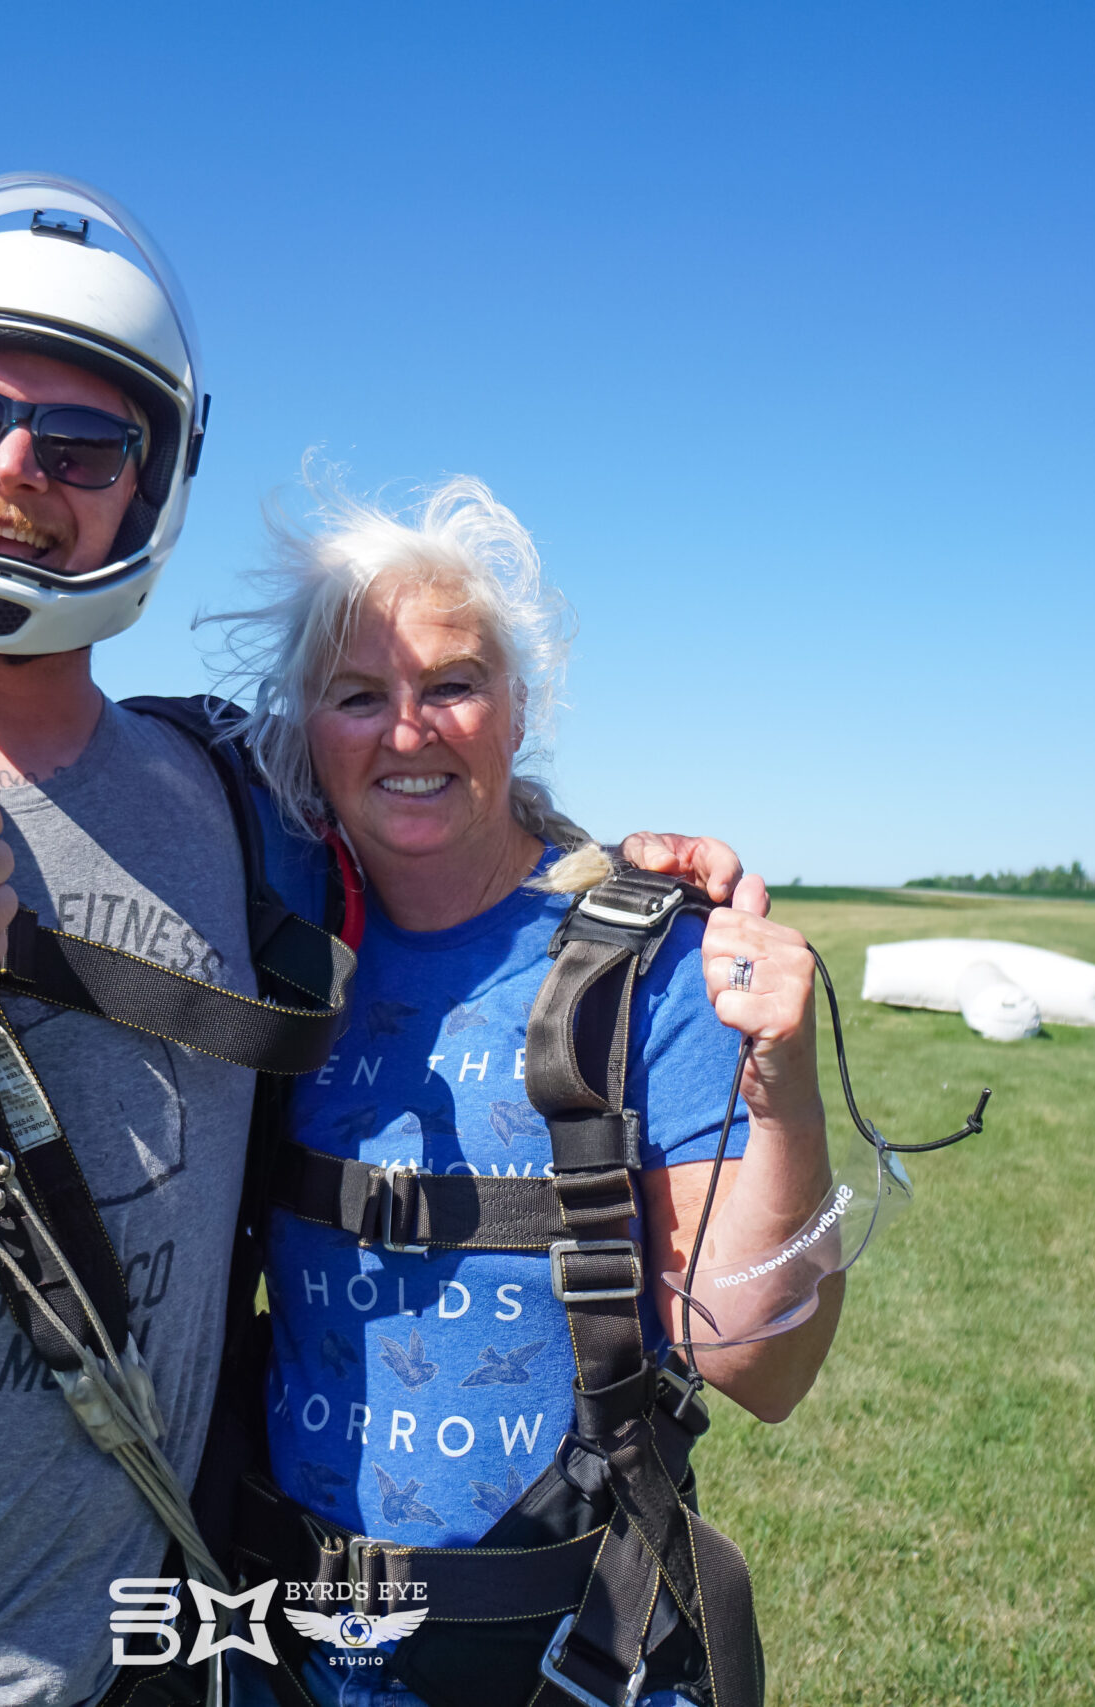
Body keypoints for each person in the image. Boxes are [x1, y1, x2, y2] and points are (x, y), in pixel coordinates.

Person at [0, 178, 749, 1707]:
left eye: (82, 441)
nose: (12, 468)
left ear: (146, 485)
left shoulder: (238, 801)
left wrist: (624, 874)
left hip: (157, 1654)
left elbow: (428, 789)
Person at [208, 479, 839, 1707]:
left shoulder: (643, 974)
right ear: (304, 728)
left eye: (450, 685)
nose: (407, 731)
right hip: (289, 1651)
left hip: (565, 1655)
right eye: (357, 695)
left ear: (517, 709)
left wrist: (786, 1092)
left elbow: (762, 1371)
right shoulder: (273, 952)